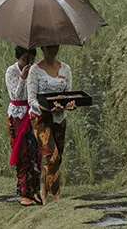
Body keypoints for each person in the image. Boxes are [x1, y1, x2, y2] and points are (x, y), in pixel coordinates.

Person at [26, 44, 76, 203]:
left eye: (56, 47)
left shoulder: (65, 69)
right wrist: (43, 107)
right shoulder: (35, 70)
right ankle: (56, 198)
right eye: (49, 47)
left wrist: (70, 104)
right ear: (43, 48)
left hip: (59, 117)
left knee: (57, 158)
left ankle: (43, 189)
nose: (53, 50)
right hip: (41, 118)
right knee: (52, 156)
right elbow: (31, 100)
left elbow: (68, 95)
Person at [6, 46, 40, 206]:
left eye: (32, 59)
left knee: (36, 152)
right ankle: (24, 192)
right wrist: (23, 78)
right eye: (25, 59)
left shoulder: (35, 70)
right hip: (18, 116)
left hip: (33, 114)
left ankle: (35, 191)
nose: (29, 62)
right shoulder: (11, 71)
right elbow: (16, 95)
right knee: (23, 153)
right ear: (18, 57)